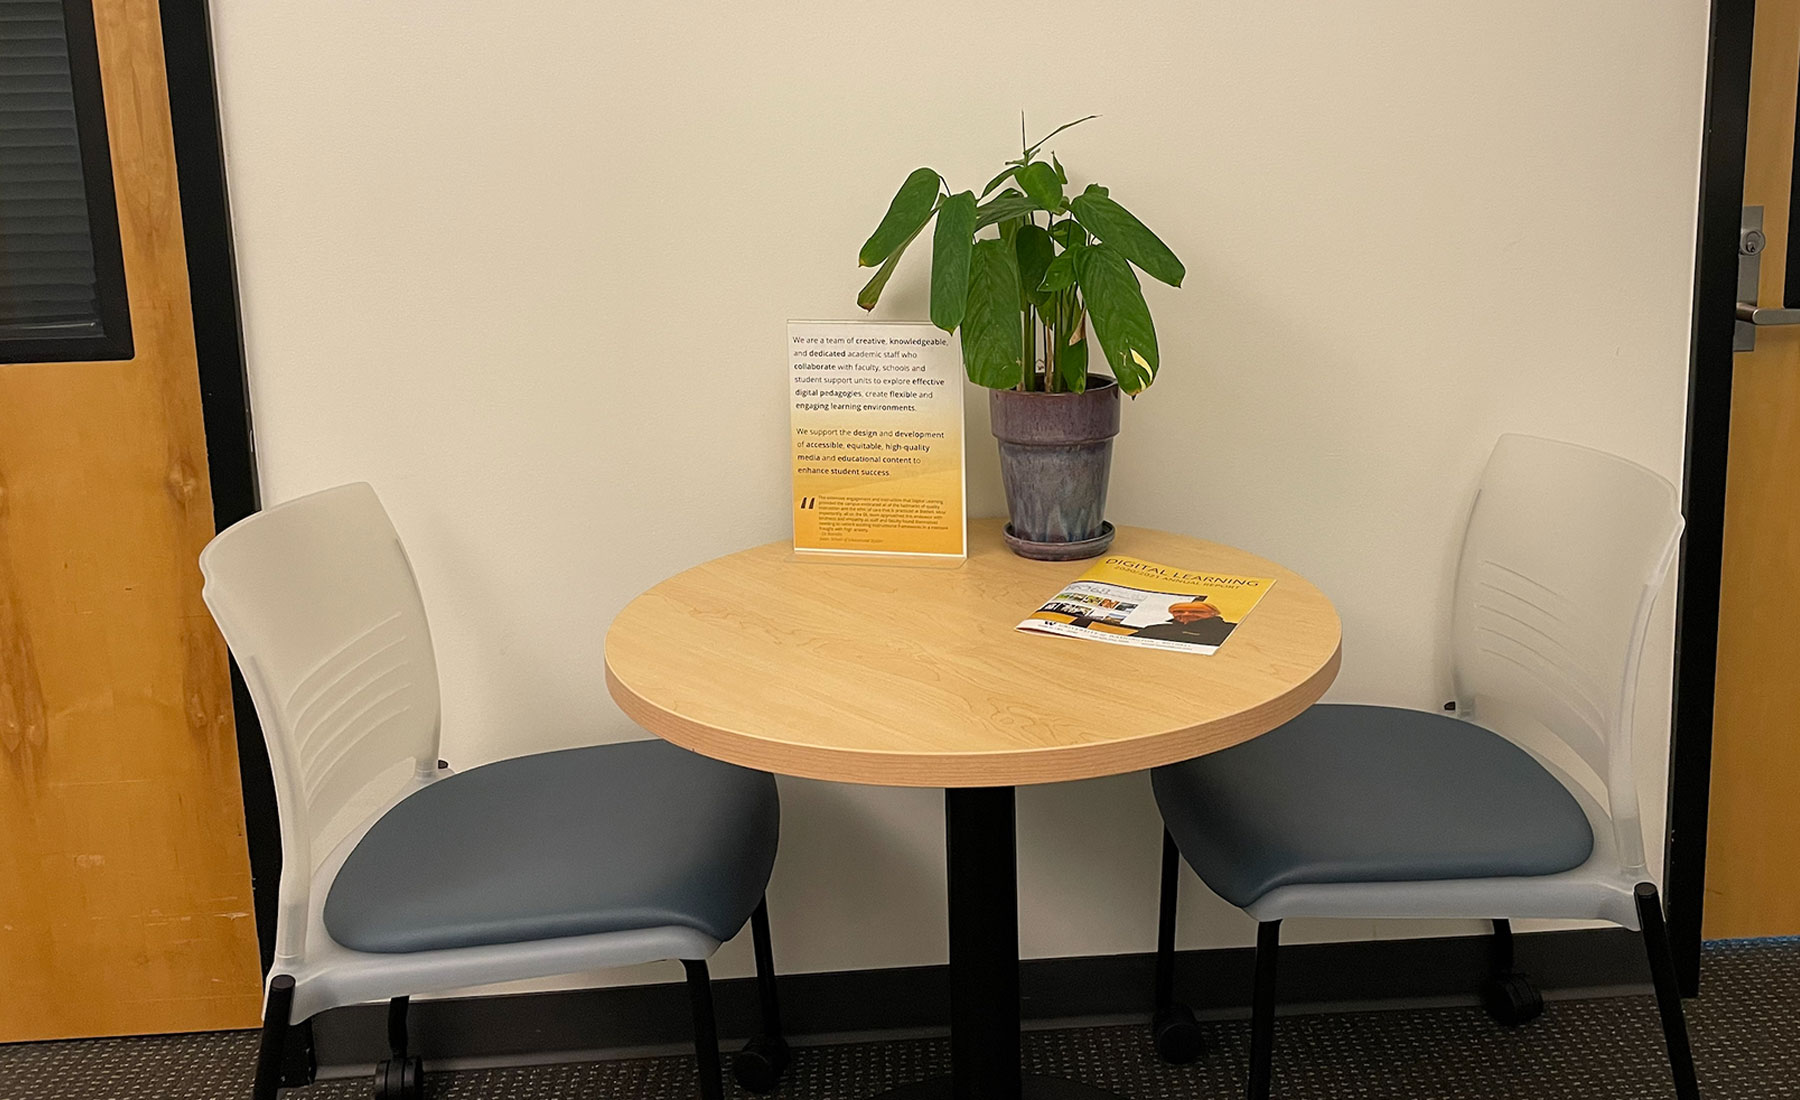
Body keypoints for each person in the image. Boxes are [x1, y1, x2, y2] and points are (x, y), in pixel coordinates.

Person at [1130, 598, 1233, 647]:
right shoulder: (1154, 629)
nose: (1186, 614)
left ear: (1213, 614)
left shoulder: (1231, 630)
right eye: (1179, 611)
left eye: (1197, 611)